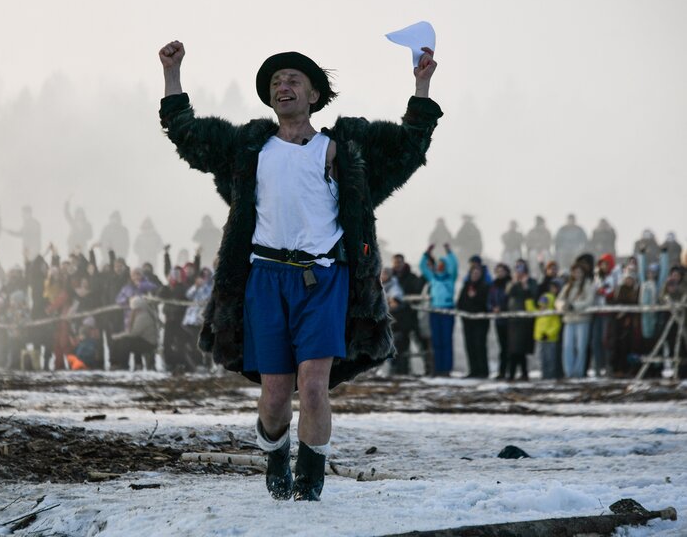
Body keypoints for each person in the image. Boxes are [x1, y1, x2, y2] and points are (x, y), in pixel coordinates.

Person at [158, 39, 441, 501]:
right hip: (264, 279)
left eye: (293, 80)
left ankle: (310, 485)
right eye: (275, 82)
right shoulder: (249, 148)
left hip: (325, 279)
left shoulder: (343, 150)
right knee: (274, 396)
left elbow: (409, 148)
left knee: (312, 387)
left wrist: (422, 85)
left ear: (313, 95)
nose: (283, 86)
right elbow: (188, 135)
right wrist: (173, 74)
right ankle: (275, 455)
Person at [419, 244, 457, 377]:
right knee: (436, 340)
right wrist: (427, 252)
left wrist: (449, 252)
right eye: (439, 264)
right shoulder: (433, 277)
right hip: (434, 311)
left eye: (443, 264)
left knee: (446, 340)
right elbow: (423, 266)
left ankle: (446, 369)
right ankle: (437, 368)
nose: (440, 266)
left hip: (447, 311)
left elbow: (454, 265)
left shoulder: (451, 278)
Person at [556, 263, 595, 378]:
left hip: (582, 319)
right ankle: (569, 372)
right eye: (575, 272)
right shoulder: (568, 286)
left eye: (579, 272)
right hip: (569, 320)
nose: (577, 274)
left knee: (580, 347)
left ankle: (578, 372)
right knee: (567, 347)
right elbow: (558, 300)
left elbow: (589, 301)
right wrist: (563, 305)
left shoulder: (587, 285)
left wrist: (574, 306)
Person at [505, 260, 537, 380]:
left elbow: (534, 295)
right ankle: (513, 374)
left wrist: (525, 285)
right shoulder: (513, 282)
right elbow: (508, 293)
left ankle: (523, 373)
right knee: (513, 348)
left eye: (521, 267)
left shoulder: (532, 282)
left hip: (526, 320)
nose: (519, 270)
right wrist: (515, 282)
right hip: (513, 320)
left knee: (521, 349)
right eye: (517, 267)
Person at [457, 263, 489, 378]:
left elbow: (485, 304)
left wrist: (474, 298)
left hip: (481, 323)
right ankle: (473, 370)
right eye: (473, 273)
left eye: (477, 273)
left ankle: (483, 371)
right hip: (467, 322)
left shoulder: (485, 287)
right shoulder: (466, 286)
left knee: (480, 345)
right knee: (469, 346)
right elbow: (460, 303)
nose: (475, 275)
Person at [590, 253, 617, 377]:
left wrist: (602, 291)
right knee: (596, 341)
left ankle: (608, 366)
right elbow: (594, 291)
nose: (603, 266)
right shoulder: (596, 277)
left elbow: (610, 291)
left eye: (606, 264)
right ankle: (597, 368)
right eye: (601, 264)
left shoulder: (613, 276)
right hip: (597, 313)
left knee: (606, 340)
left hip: (607, 313)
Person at [531, 280, 562, 380]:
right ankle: (544, 376)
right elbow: (531, 310)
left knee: (550, 358)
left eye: (545, 303)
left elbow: (556, 325)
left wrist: (548, 334)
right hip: (541, 338)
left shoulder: (553, 312)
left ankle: (551, 376)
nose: (543, 305)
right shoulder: (540, 313)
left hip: (550, 339)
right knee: (542, 358)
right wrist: (528, 299)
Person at [487, 263, 511, 379]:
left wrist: (503, 308)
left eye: (502, 271)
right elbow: (489, 301)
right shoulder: (493, 285)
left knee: (511, 347)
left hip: (510, 321)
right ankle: (502, 372)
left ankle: (511, 372)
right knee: (502, 347)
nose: (500, 273)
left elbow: (512, 300)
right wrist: (493, 308)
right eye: (498, 271)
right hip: (499, 321)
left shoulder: (510, 283)